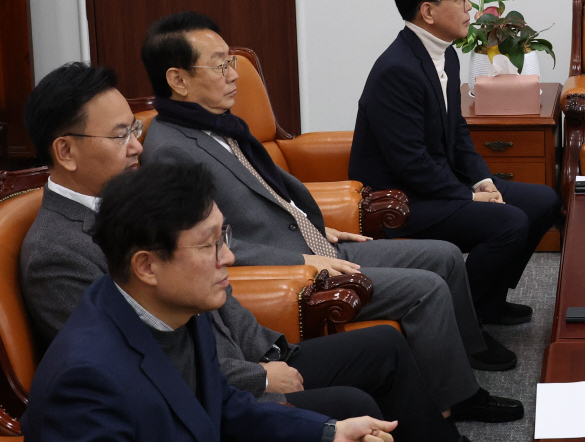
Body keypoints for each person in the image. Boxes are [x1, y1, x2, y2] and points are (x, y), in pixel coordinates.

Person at [20, 62, 464, 441]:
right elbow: (151, 377)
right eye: (121, 135)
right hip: (204, 400)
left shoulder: (173, 299)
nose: (138, 145)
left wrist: (322, 427)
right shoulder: (60, 263)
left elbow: (211, 386)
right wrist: (262, 377)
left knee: (377, 357)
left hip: (235, 375)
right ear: (66, 150)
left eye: (135, 129)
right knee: (351, 401)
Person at [138, 13, 523, 423]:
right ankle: (460, 397)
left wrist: (316, 227)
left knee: (444, 256)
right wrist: (303, 261)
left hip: (314, 243)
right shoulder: (170, 150)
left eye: (230, 61)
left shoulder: (218, 125)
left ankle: (464, 360)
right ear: (177, 80)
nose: (233, 75)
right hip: (293, 268)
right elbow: (206, 246)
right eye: (219, 65)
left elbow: (268, 195)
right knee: (425, 288)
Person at [22, 161, 398, 442]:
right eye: (208, 245)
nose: (228, 258)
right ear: (146, 266)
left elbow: (222, 406)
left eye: (224, 238)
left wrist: (330, 432)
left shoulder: (179, 310)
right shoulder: (85, 382)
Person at [347, 0, 560, 326]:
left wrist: (483, 181)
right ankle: (465, 322)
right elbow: (410, 164)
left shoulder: (444, 56)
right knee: (507, 222)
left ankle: (487, 300)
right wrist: (468, 196)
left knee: (542, 200)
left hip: (434, 187)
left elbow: (458, 131)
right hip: (398, 201)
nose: (469, 10)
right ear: (428, 12)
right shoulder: (397, 70)